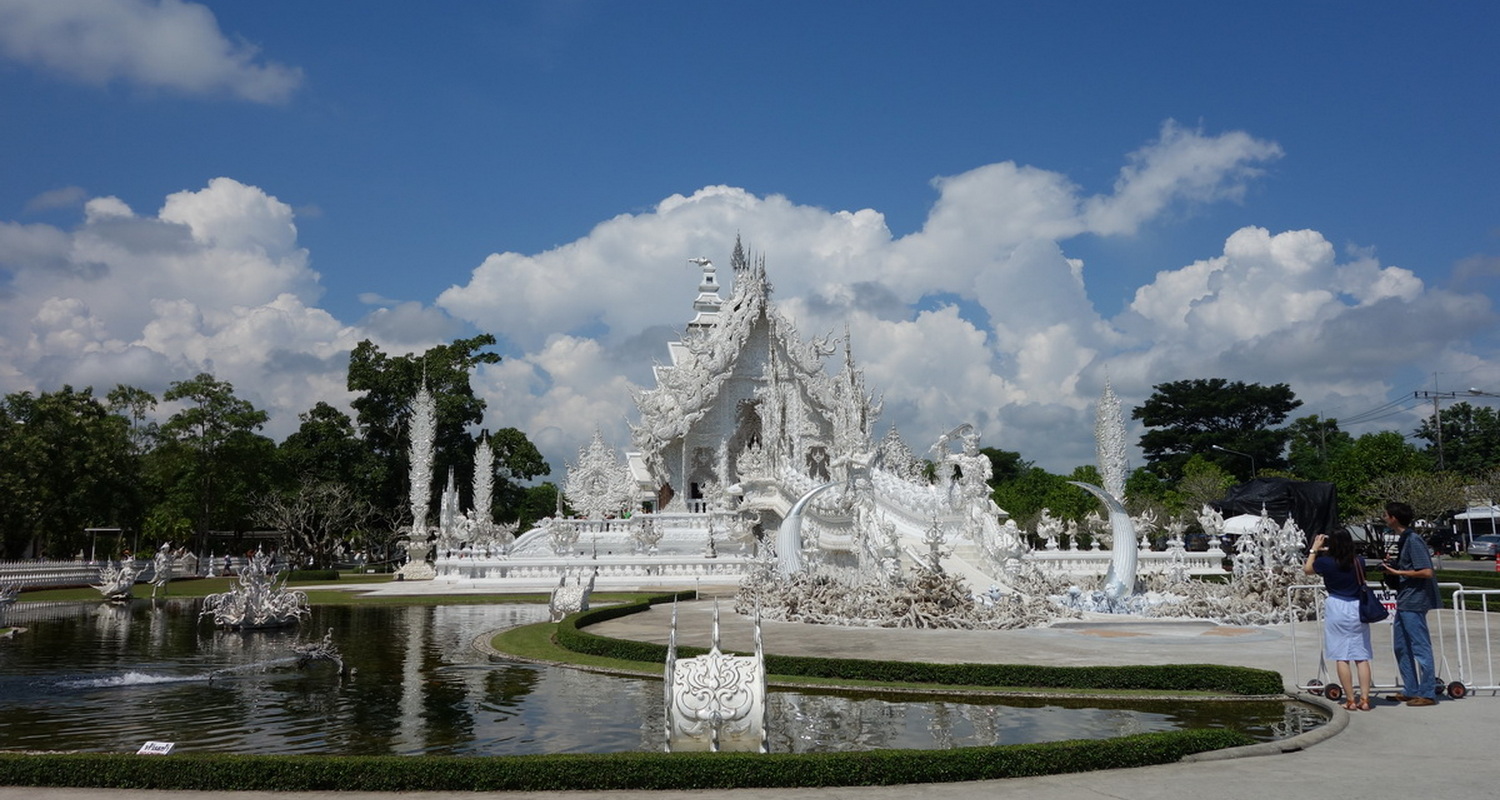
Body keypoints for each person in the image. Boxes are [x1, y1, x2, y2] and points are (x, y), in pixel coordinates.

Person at [1302, 529, 1374, 710]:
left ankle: (1350, 699)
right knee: (1361, 655)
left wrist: (1314, 549)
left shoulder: (1326, 562)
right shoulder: (1359, 561)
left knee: (1342, 656)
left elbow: (1307, 570)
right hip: (1357, 606)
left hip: (1337, 606)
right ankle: (1365, 699)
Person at [1381, 501, 1439, 707]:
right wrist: (1394, 567)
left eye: (1386, 515)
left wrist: (1398, 572)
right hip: (1405, 599)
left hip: (1415, 600)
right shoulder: (1404, 538)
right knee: (1401, 646)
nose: (1384, 518)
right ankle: (1411, 689)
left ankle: (1427, 692)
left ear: (1394, 518)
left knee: (1420, 647)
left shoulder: (1413, 539)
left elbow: (1426, 571)